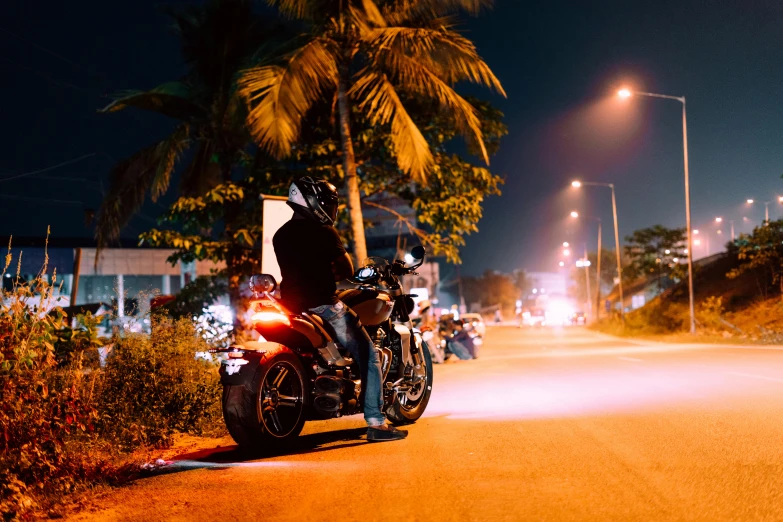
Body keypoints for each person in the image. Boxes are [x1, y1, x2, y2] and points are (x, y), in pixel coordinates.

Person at [272, 177, 407, 442]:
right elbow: (345, 270)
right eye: (328, 203)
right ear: (313, 202)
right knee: (369, 355)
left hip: (290, 308)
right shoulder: (324, 232)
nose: (331, 209)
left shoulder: (280, 235)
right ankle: (377, 424)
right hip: (323, 306)